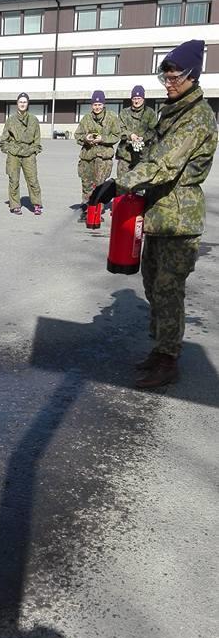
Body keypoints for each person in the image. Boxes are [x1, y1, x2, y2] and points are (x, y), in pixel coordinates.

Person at [89, 39, 218, 388]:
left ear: (193, 76)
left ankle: (168, 359)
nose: (170, 83)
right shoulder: (171, 112)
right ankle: (160, 349)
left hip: (180, 219)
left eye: (175, 77)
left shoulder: (197, 118)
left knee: (169, 289)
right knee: (152, 285)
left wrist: (120, 184)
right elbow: (149, 157)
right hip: (159, 213)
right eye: (166, 78)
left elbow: (165, 164)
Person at [74, 91, 120, 221]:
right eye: (95, 104)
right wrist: (86, 138)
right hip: (87, 157)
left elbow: (116, 135)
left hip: (103, 158)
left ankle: (97, 211)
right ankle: (87, 209)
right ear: (91, 105)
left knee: (99, 185)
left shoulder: (111, 118)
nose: (97, 107)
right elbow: (77, 135)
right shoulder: (86, 118)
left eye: (99, 104)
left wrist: (102, 138)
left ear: (103, 104)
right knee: (87, 184)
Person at [0, 93, 43, 215]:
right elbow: (4, 140)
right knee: (14, 180)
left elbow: (37, 139)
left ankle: (37, 204)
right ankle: (15, 205)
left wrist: (34, 150)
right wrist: (8, 149)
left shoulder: (33, 120)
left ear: (28, 104)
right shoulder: (11, 120)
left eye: (24, 102)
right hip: (14, 154)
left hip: (29, 153)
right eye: (20, 102)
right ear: (17, 104)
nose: (22, 104)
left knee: (33, 180)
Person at [116, 85, 157, 177]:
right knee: (122, 183)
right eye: (134, 98)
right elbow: (119, 129)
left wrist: (143, 138)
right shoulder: (124, 113)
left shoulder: (149, 112)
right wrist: (130, 135)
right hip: (125, 154)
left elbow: (154, 130)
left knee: (140, 184)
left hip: (143, 155)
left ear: (143, 99)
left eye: (139, 98)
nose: (136, 101)